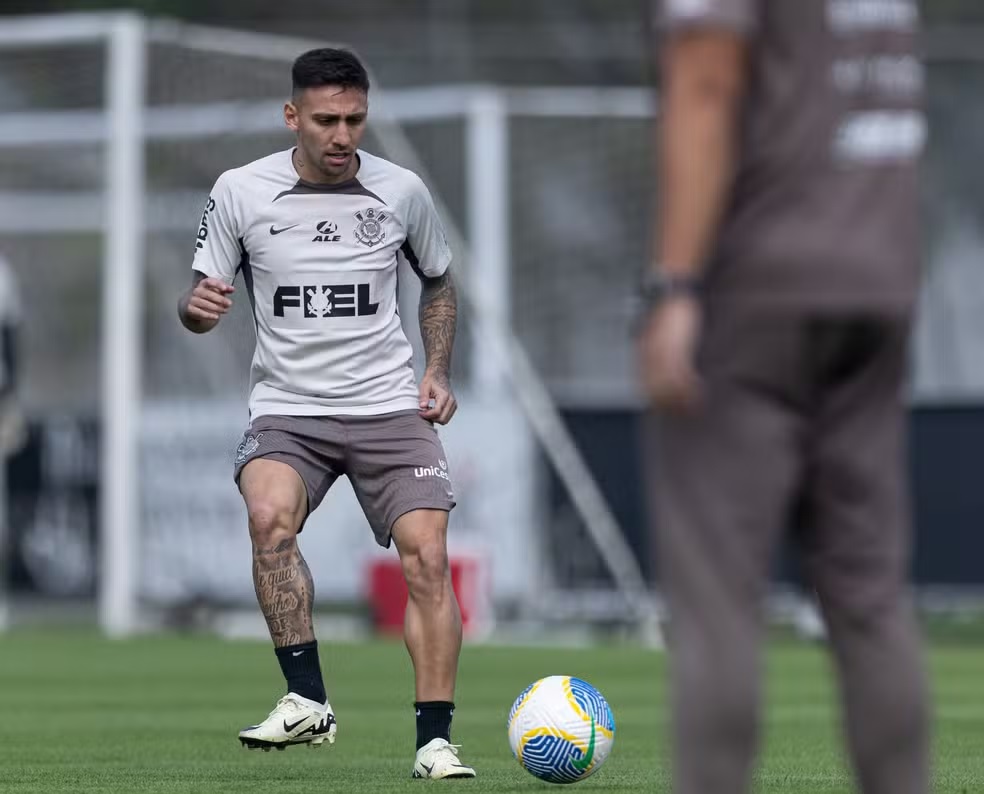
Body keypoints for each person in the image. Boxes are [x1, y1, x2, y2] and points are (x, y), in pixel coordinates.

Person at [639, 2, 929, 793]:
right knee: (871, 600)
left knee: (719, 604)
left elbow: (706, 81)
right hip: (882, 272)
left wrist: (673, 286)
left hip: (758, 283)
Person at [178, 47, 475, 780]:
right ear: (293, 118)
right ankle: (306, 701)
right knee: (266, 517)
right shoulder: (241, 192)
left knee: (429, 557)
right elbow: (199, 299)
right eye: (326, 120)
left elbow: (438, 282)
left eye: (355, 119)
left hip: (387, 406)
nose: (343, 136)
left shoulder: (401, 191)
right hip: (288, 408)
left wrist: (437, 371)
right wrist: (195, 309)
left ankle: (434, 741)